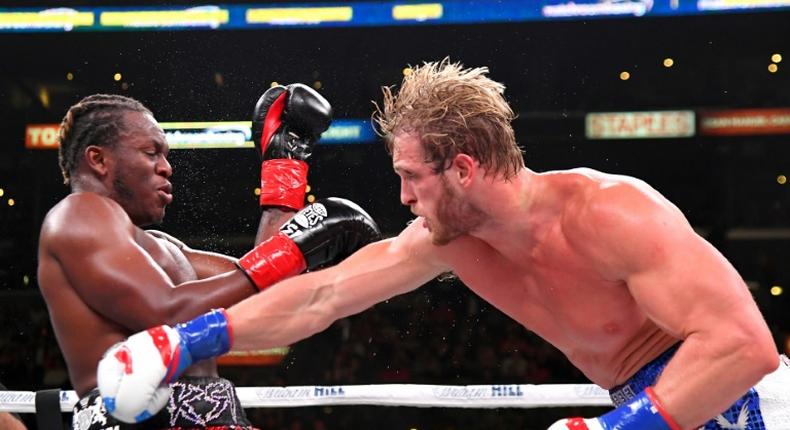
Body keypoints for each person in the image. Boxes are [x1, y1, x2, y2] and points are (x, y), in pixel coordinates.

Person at [97, 60, 790, 429]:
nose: (402, 199)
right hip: (655, 406)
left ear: (462, 168)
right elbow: (324, 295)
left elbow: (743, 345)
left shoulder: (610, 212)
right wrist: (186, 343)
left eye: (411, 178)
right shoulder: (449, 238)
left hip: (746, 401)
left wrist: (626, 429)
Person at [38, 88, 380, 429]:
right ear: (98, 160)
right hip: (140, 418)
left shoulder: (162, 246)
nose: (166, 168)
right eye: (151, 153)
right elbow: (166, 313)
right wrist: (294, 247)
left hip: (209, 413)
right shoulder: (77, 214)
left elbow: (265, 288)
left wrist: (284, 165)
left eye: (165, 156)